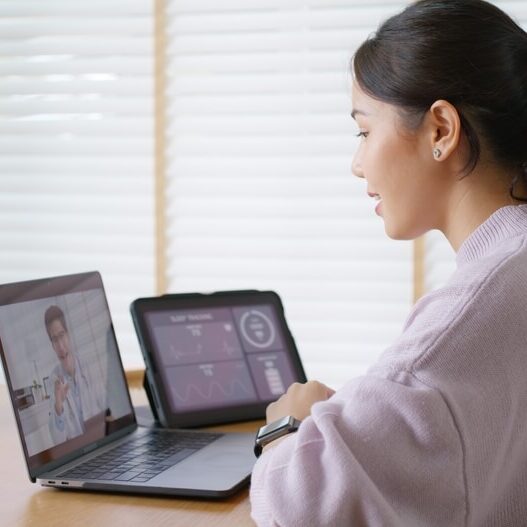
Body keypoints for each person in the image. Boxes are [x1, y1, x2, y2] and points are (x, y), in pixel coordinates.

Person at [249, 1, 527, 525]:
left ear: (441, 129)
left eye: (364, 131)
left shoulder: (462, 322)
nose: (357, 164)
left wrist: (288, 424)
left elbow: (300, 508)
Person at [45, 305, 106, 444]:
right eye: (54, 339)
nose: (60, 346)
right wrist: (58, 405)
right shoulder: (53, 381)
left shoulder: (89, 367)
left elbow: (107, 408)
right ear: (52, 345)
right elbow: (57, 440)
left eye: (61, 335)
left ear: (68, 334)